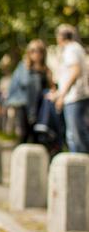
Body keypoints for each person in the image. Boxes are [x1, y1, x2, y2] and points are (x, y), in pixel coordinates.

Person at [49, 25, 89, 154]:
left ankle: (80, 168)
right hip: (74, 97)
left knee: (76, 135)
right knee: (75, 134)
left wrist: (62, 95)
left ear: (60, 37)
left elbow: (75, 71)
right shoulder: (75, 48)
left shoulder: (71, 49)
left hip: (75, 97)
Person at [6, 40, 54, 144]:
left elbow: (50, 88)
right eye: (33, 51)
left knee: (37, 136)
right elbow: (16, 86)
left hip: (39, 107)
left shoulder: (46, 70)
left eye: (39, 51)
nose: (36, 54)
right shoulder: (23, 67)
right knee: (23, 134)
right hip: (24, 105)